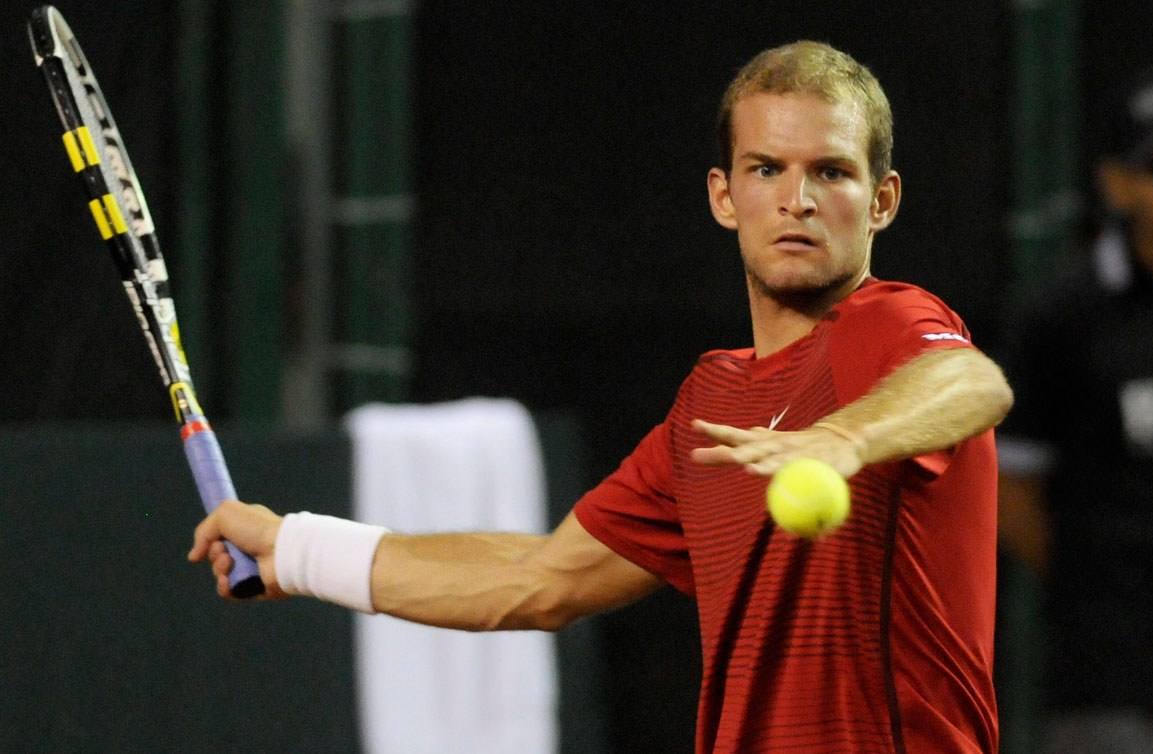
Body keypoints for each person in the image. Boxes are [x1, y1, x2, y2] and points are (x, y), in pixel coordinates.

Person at [190, 41, 1012, 754]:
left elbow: (970, 380)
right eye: (768, 169)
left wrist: (846, 438)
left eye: (831, 172)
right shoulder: (709, 406)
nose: (797, 200)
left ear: (881, 201)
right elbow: (540, 578)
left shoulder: (887, 327)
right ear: (725, 197)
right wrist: (294, 550)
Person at [999, 67, 1153, 754]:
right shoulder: (1064, 317)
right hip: (1111, 687)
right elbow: (1010, 488)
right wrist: (1097, 586)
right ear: (1118, 185)